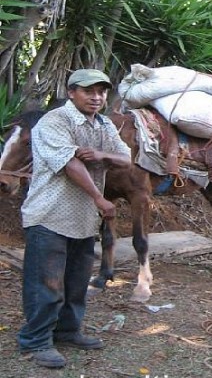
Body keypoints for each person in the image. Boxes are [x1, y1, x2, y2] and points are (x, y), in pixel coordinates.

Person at [17, 69, 132, 369]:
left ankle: (67, 331)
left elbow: (126, 157)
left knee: (76, 282)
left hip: (82, 220)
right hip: (49, 215)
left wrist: (98, 154)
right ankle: (36, 341)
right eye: (88, 91)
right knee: (47, 283)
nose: (96, 97)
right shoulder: (54, 122)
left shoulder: (104, 125)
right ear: (71, 92)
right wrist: (99, 198)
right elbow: (70, 164)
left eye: (102, 92)